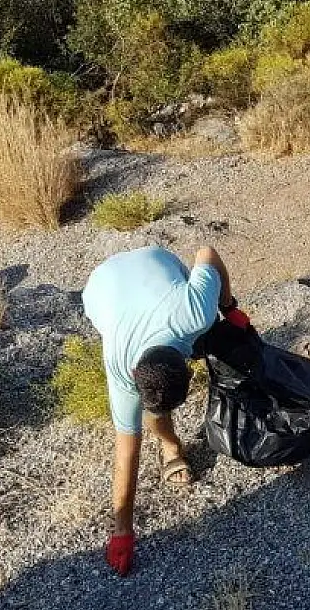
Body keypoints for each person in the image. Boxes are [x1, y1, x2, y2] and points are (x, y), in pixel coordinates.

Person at [81, 244, 247, 576]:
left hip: (153, 258)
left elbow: (207, 252)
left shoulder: (194, 312)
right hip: (100, 286)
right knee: (143, 423)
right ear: (132, 378)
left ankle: (169, 441)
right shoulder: (118, 365)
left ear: (189, 369)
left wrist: (228, 308)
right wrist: (122, 532)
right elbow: (126, 453)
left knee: (209, 322)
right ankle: (170, 445)